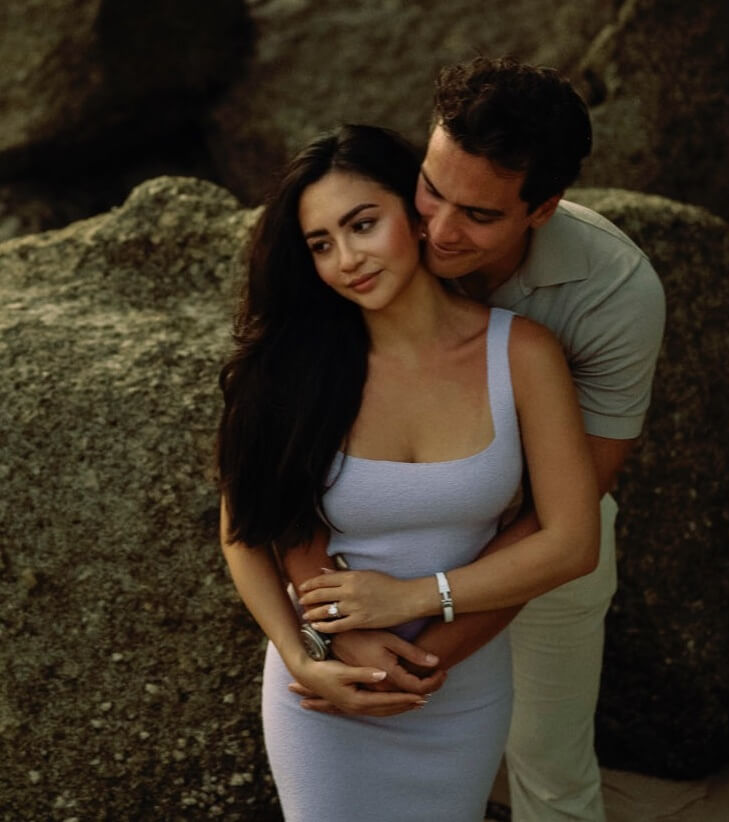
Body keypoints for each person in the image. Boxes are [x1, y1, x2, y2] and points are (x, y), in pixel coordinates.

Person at [293, 58, 666, 821]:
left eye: (480, 216)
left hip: (541, 550)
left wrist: (418, 652)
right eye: (432, 189)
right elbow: (277, 467)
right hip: (381, 542)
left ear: (543, 209)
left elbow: (565, 519)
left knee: (550, 768)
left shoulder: (616, 294)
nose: (435, 229)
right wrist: (339, 636)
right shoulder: (366, 229)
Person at [217, 123, 601, 821]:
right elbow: (245, 535)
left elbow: (572, 541)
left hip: (462, 690)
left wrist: (414, 597)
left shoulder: (521, 354)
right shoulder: (290, 368)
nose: (348, 260)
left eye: (363, 224)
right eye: (321, 244)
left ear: (415, 213)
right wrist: (300, 655)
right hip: (324, 693)